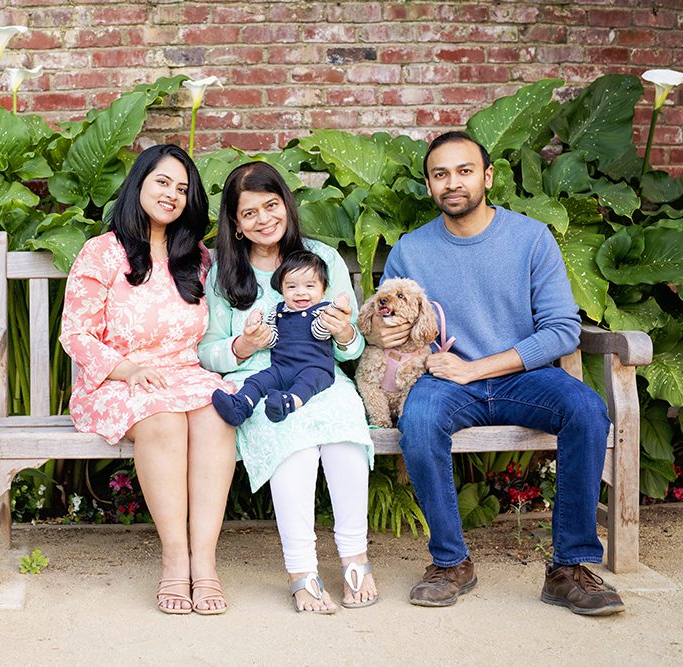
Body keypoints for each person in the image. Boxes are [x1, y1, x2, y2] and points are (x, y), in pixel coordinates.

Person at [369, 130, 625, 616]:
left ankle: (569, 569)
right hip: (445, 381)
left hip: (524, 377)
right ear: (429, 185)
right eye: (440, 174)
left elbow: (562, 330)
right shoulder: (411, 250)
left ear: (487, 177)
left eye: (464, 171)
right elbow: (390, 322)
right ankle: (451, 563)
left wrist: (477, 368)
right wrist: (383, 333)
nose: (453, 183)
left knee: (586, 410)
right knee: (418, 421)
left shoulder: (531, 238)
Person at [60, 144, 236, 616]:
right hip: (119, 380)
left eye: (182, 188)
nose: (172, 194)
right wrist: (129, 369)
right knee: (163, 421)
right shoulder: (102, 252)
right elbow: (75, 333)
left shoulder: (196, 257)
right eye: (162, 182)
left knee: (218, 417)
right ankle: (175, 560)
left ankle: (205, 563)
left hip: (186, 375)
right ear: (139, 183)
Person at [198, 162, 377, 613]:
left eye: (271, 205)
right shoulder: (223, 272)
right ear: (235, 224)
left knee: (344, 432)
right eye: (250, 213)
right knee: (289, 441)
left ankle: (355, 558)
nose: (264, 219)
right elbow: (208, 351)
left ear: (287, 205)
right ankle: (302, 571)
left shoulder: (321, 258)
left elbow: (351, 349)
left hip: (319, 376)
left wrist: (342, 333)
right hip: (256, 380)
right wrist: (242, 346)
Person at [211, 250, 352, 425]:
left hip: (315, 368)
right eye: (292, 287)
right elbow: (273, 339)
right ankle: (241, 404)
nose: (300, 292)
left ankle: (286, 403)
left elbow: (319, 332)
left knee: (305, 384)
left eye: (309, 286)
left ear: (323, 291)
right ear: (282, 290)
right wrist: (259, 329)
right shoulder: (278, 312)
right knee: (258, 380)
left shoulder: (323, 311)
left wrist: (335, 309)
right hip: (282, 367)